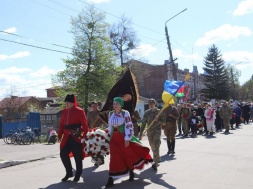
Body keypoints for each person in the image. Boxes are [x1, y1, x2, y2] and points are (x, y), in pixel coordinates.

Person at [104, 97, 153, 188]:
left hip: (123, 137)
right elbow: (110, 127)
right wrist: (107, 137)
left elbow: (129, 126)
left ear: (121, 105)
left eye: (117, 104)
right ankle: (110, 179)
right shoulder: (110, 114)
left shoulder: (125, 113)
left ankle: (131, 170)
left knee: (127, 155)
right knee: (114, 158)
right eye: (114, 104)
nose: (115, 106)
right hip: (114, 139)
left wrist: (127, 139)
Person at [58, 94, 88, 182]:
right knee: (63, 153)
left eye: (68, 102)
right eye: (66, 102)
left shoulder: (80, 111)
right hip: (66, 137)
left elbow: (84, 124)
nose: (66, 104)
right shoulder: (64, 112)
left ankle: (78, 174)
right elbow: (61, 125)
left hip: (76, 136)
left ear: (73, 102)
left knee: (77, 156)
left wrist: (86, 135)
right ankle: (69, 172)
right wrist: (59, 135)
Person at [139, 98, 163, 171]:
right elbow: (143, 124)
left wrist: (157, 120)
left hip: (157, 131)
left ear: (155, 104)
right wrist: (141, 133)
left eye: (152, 104)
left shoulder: (159, 112)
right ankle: (157, 158)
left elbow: (163, 122)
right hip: (150, 132)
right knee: (152, 146)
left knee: (156, 145)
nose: (151, 105)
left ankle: (155, 162)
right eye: (149, 104)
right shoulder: (147, 113)